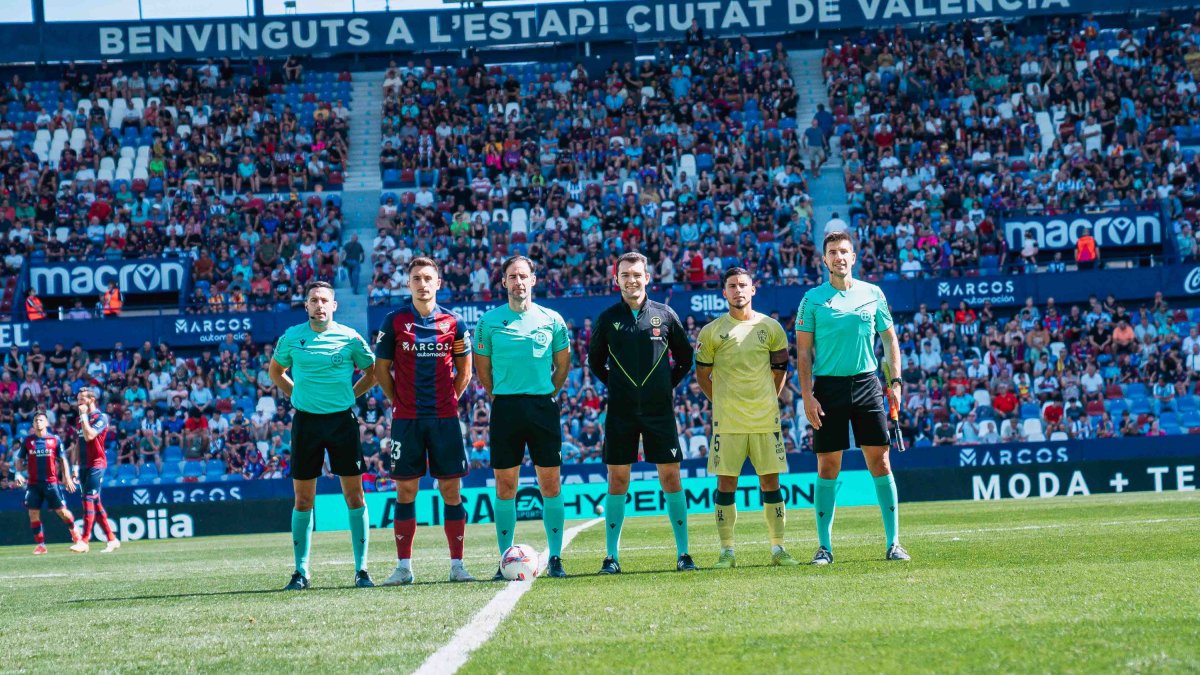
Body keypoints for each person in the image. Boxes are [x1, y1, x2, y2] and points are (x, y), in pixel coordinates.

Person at [795, 231, 909, 565]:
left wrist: (896, 382)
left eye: (844, 251)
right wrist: (806, 395)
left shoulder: (873, 293)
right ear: (824, 259)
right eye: (833, 252)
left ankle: (894, 543)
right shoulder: (812, 299)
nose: (839, 257)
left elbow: (890, 342)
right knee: (828, 465)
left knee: (881, 461)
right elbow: (803, 353)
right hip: (827, 389)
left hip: (867, 384)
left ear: (853, 257)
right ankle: (824, 547)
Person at [586, 252, 696, 574]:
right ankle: (611, 557)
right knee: (617, 479)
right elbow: (595, 363)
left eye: (637, 274)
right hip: (620, 413)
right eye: (625, 275)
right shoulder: (607, 319)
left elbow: (685, 359)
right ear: (615, 279)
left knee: (670, 477)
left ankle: (684, 553)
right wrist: (619, 387)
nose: (631, 280)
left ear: (647, 277)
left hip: (659, 412)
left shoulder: (665, 315)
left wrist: (664, 387)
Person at [269, 281, 378, 590]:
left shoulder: (350, 338)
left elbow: (373, 372)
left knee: (354, 495)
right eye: (313, 300)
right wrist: (296, 395)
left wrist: (351, 396)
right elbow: (275, 372)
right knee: (303, 499)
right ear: (306, 306)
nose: (319, 305)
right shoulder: (292, 337)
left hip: (342, 422)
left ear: (334, 305)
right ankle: (300, 572)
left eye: (324, 300)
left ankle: (362, 570)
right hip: (306, 424)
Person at [374, 257, 476, 585]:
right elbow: (381, 370)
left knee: (450, 488)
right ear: (408, 284)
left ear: (438, 283)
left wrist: (450, 400)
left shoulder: (455, 322)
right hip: (407, 419)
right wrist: (398, 402)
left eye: (428, 277)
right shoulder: (394, 320)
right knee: (406, 490)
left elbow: (466, 370)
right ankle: (404, 568)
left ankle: (457, 565)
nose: (422, 283)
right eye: (416, 278)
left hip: (444, 418)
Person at [474, 256, 572, 579]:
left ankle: (555, 557)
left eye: (523, 276)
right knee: (505, 486)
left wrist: (545, 392)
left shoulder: (551, 319)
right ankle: (505, 560)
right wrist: (502, 394)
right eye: (512, 276)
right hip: (505, 409)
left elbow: (562, 367)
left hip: (542, 407)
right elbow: (483, 371)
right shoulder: (488, 322)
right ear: (503, 282)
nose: (518, 282)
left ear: (533, 280)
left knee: (550, 483)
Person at [694, 267, 798, 569]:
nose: (738, 290)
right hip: (728, 423)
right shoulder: (712, 331)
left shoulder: (771, 328)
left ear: (753, 289)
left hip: (765, 420)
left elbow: (780, 371)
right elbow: (702, 375)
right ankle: (727, 551)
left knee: (771, 483)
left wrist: (768, 400)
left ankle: (778, 548)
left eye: (743, 285)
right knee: (726, 485)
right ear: (724, 292)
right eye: (732, 286)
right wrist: (723, 402)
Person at [15, 412, 83, 555]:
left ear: (46, 423)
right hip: (33, 484)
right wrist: (18, 473)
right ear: (33, 424)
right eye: (36, 421)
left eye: (41, 420)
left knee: (62, 512)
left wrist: (67, 477)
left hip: (51, 483)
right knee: (33, 513)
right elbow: (20, 458)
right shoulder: (28, 441)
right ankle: (41, 545)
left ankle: (75, 532)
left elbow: (62, 459)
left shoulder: (54, 439)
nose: (38, 422)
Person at [71, 387, 120, 553]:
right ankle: (112, 539)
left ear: (92, 400)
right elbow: (79, 442)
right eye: (78, 399)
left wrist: (84, 416)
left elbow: (90, 436)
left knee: (88, 499)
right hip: (84, 465)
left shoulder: (101, 417)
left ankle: (84, 541)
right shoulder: (80, 420)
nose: (79, 402)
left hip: (97, 464)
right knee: (96, 503)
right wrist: (75, 466)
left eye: (82, 398)